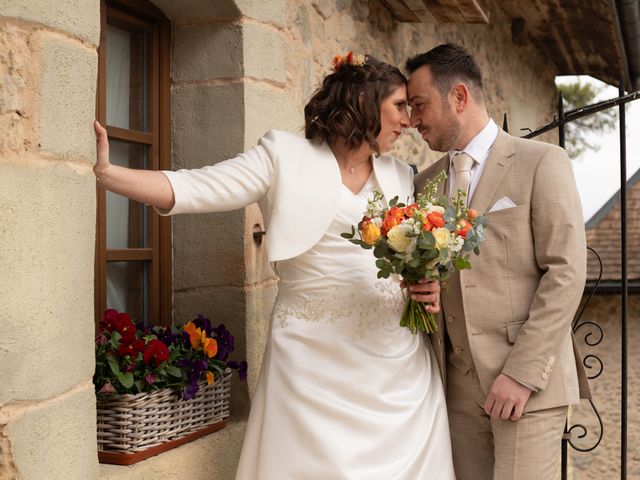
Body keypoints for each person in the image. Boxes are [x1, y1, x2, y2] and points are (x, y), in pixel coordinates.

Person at [93, 54, 455, 479]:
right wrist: (109, 174)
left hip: (397, 366)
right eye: (399, 106)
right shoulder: (284, 155)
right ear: (363, 99)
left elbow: (410, 259)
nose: (408, 122)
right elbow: (201, 185)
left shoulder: (401, 175)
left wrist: (425, 284)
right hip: (311, 358)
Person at [406, 43, 591, 479]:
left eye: (419, 104)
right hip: (453, 391)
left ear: (460, 97)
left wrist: (522, 375)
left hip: (527, 386)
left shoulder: (541, 162)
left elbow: (565, 273)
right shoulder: (424, 186)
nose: (413, 120)